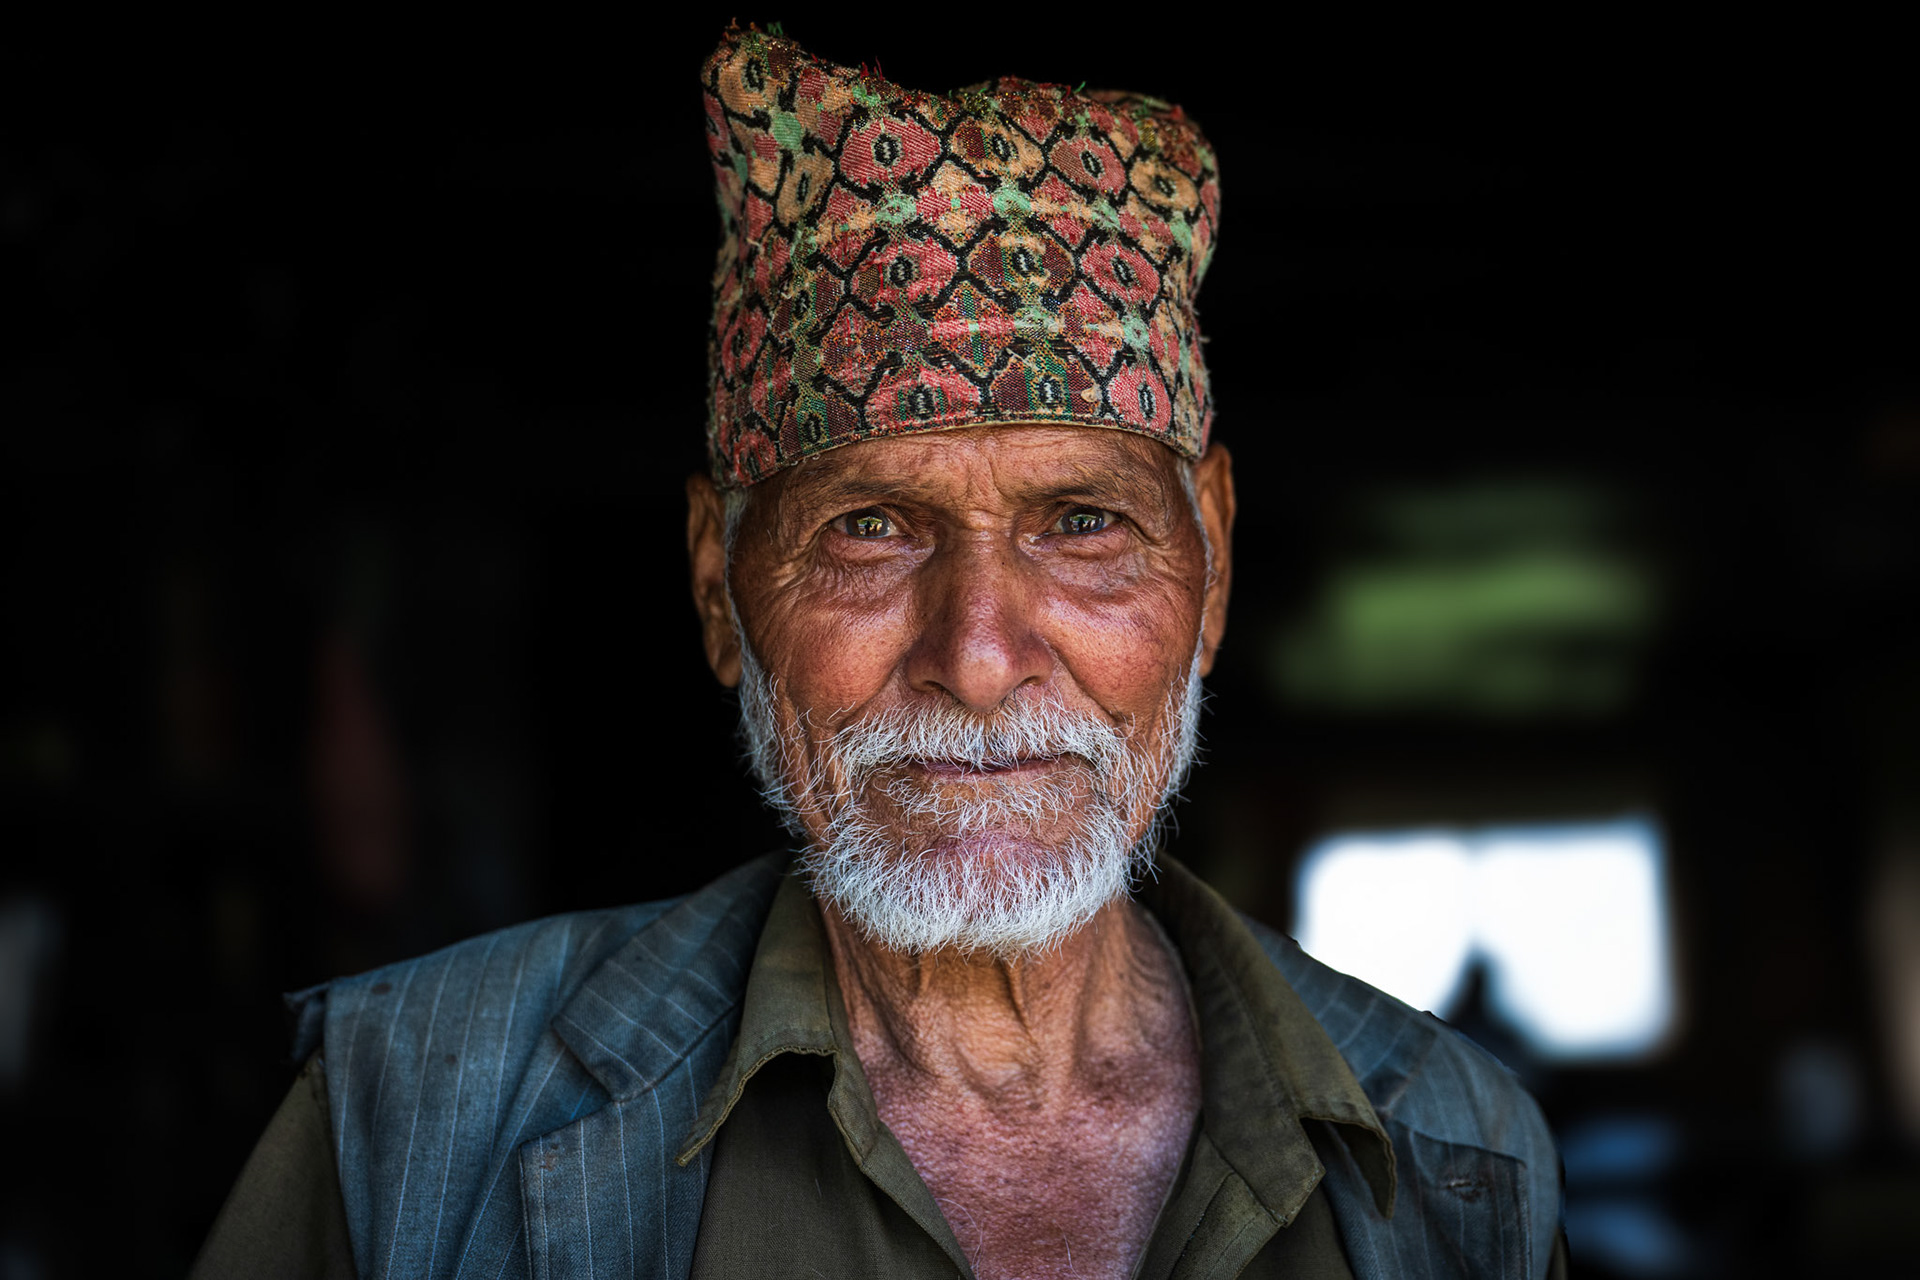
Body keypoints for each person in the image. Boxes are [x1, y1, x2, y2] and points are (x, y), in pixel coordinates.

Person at [193, 26, 1566, 1279]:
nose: (976, 661)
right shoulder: (409, 1117)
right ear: (720, 589)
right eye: (870, 530)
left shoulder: (1459, 1149)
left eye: (1082, 524)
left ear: (1207, 560)